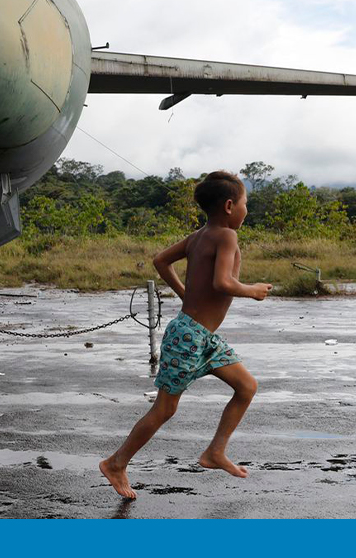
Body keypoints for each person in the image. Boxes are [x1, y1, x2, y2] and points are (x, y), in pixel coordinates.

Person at [99, 170, 273, 499]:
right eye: (246, 203)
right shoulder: (225, 236)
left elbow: (161, 260)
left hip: (202, 337)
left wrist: (185, 294)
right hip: (189, 337)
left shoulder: (199, 235)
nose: (247, 210)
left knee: (247, 386)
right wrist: (250, 290)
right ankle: (116, 463)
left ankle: (215, 452)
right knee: (165, 409)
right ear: (229, 205)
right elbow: (222, 282)